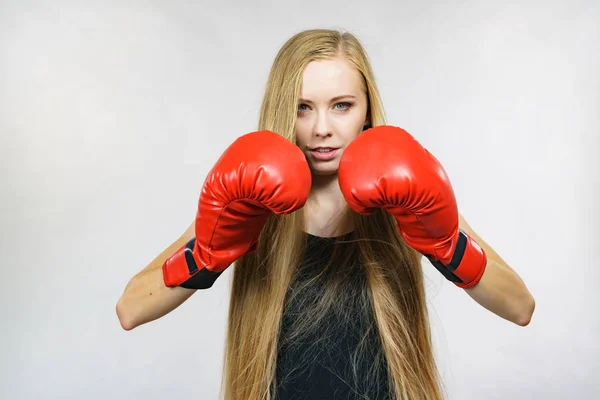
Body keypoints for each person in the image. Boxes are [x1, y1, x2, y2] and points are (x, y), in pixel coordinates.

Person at [116, 29, 535, 400]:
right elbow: (131, 309)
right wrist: (206, 255)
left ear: (367, 110)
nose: (321, 128)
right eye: (303, 107)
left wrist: (447, 246)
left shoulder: (407, 196)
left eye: (341, 105)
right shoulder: (250, 204)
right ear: (284, 110)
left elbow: (519, 307)